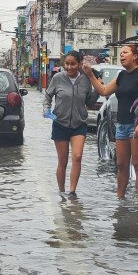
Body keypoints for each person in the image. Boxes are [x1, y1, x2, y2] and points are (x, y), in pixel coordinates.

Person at [84, 43, 138, 202]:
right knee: (121, 165)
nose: (122, 55)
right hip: (121, 125)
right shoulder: (122, 75)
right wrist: (90, 75)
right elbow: (103, 91)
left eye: (125, 52)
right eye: (121, 53)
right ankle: (120, 200)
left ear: (135, 56)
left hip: (137, 124)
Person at [44, 50, 96, 199]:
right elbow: (48, 95)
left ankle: (72, 192)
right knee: (63, 160)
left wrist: (98, 90)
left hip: (79, 124)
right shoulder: (58, 78)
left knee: (77, 156)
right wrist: (46, 109)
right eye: (67, 64)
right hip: (60, 123)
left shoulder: (86, 79)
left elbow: (90, 102)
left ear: (79, 64)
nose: (69, 67)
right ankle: (61, 191)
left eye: (73, 64)